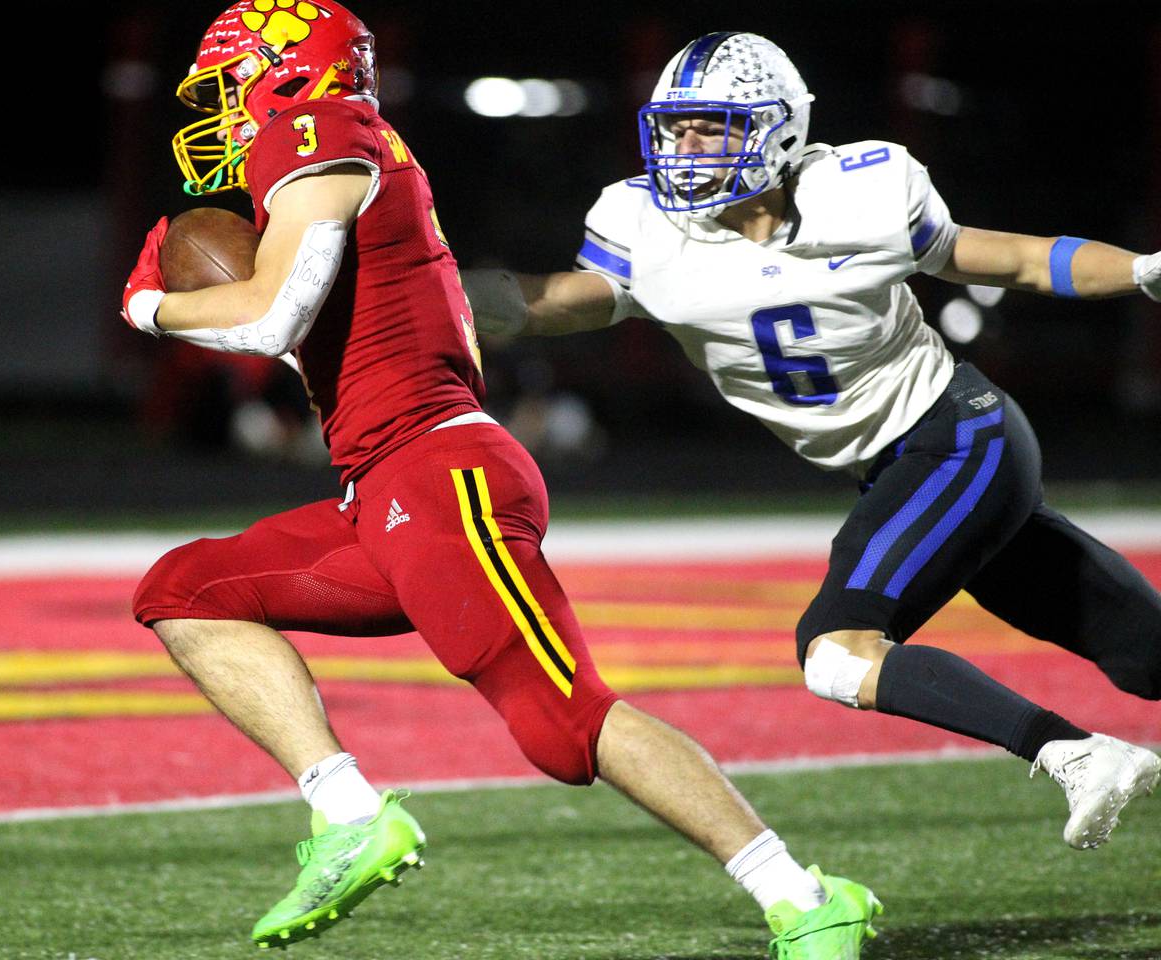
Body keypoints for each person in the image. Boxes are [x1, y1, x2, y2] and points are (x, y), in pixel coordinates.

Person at [121, 5, 882, 957]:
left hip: (443, 475)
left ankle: (805, 898)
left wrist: (153, 306)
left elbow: (270, 318)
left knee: (562, 722)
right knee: (185, 591)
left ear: (288, 74)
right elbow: (318, 335)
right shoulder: (330, 147)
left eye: (233, 83)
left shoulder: (317, 131)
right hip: (386, 486)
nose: (224, 112)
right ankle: (350, 814)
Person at [464, 31, 1161, 854]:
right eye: (674, 130)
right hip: (898, 468)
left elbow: (1010, 259)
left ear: (779, 129)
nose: (685, 151)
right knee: (1145, 653)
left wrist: (1149, 268)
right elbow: (547, 302)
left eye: (712, 127)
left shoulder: (861, 189)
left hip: (957, 435)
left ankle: (1071, 753)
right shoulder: (642, 224)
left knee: (837, 650)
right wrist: (418, 289)